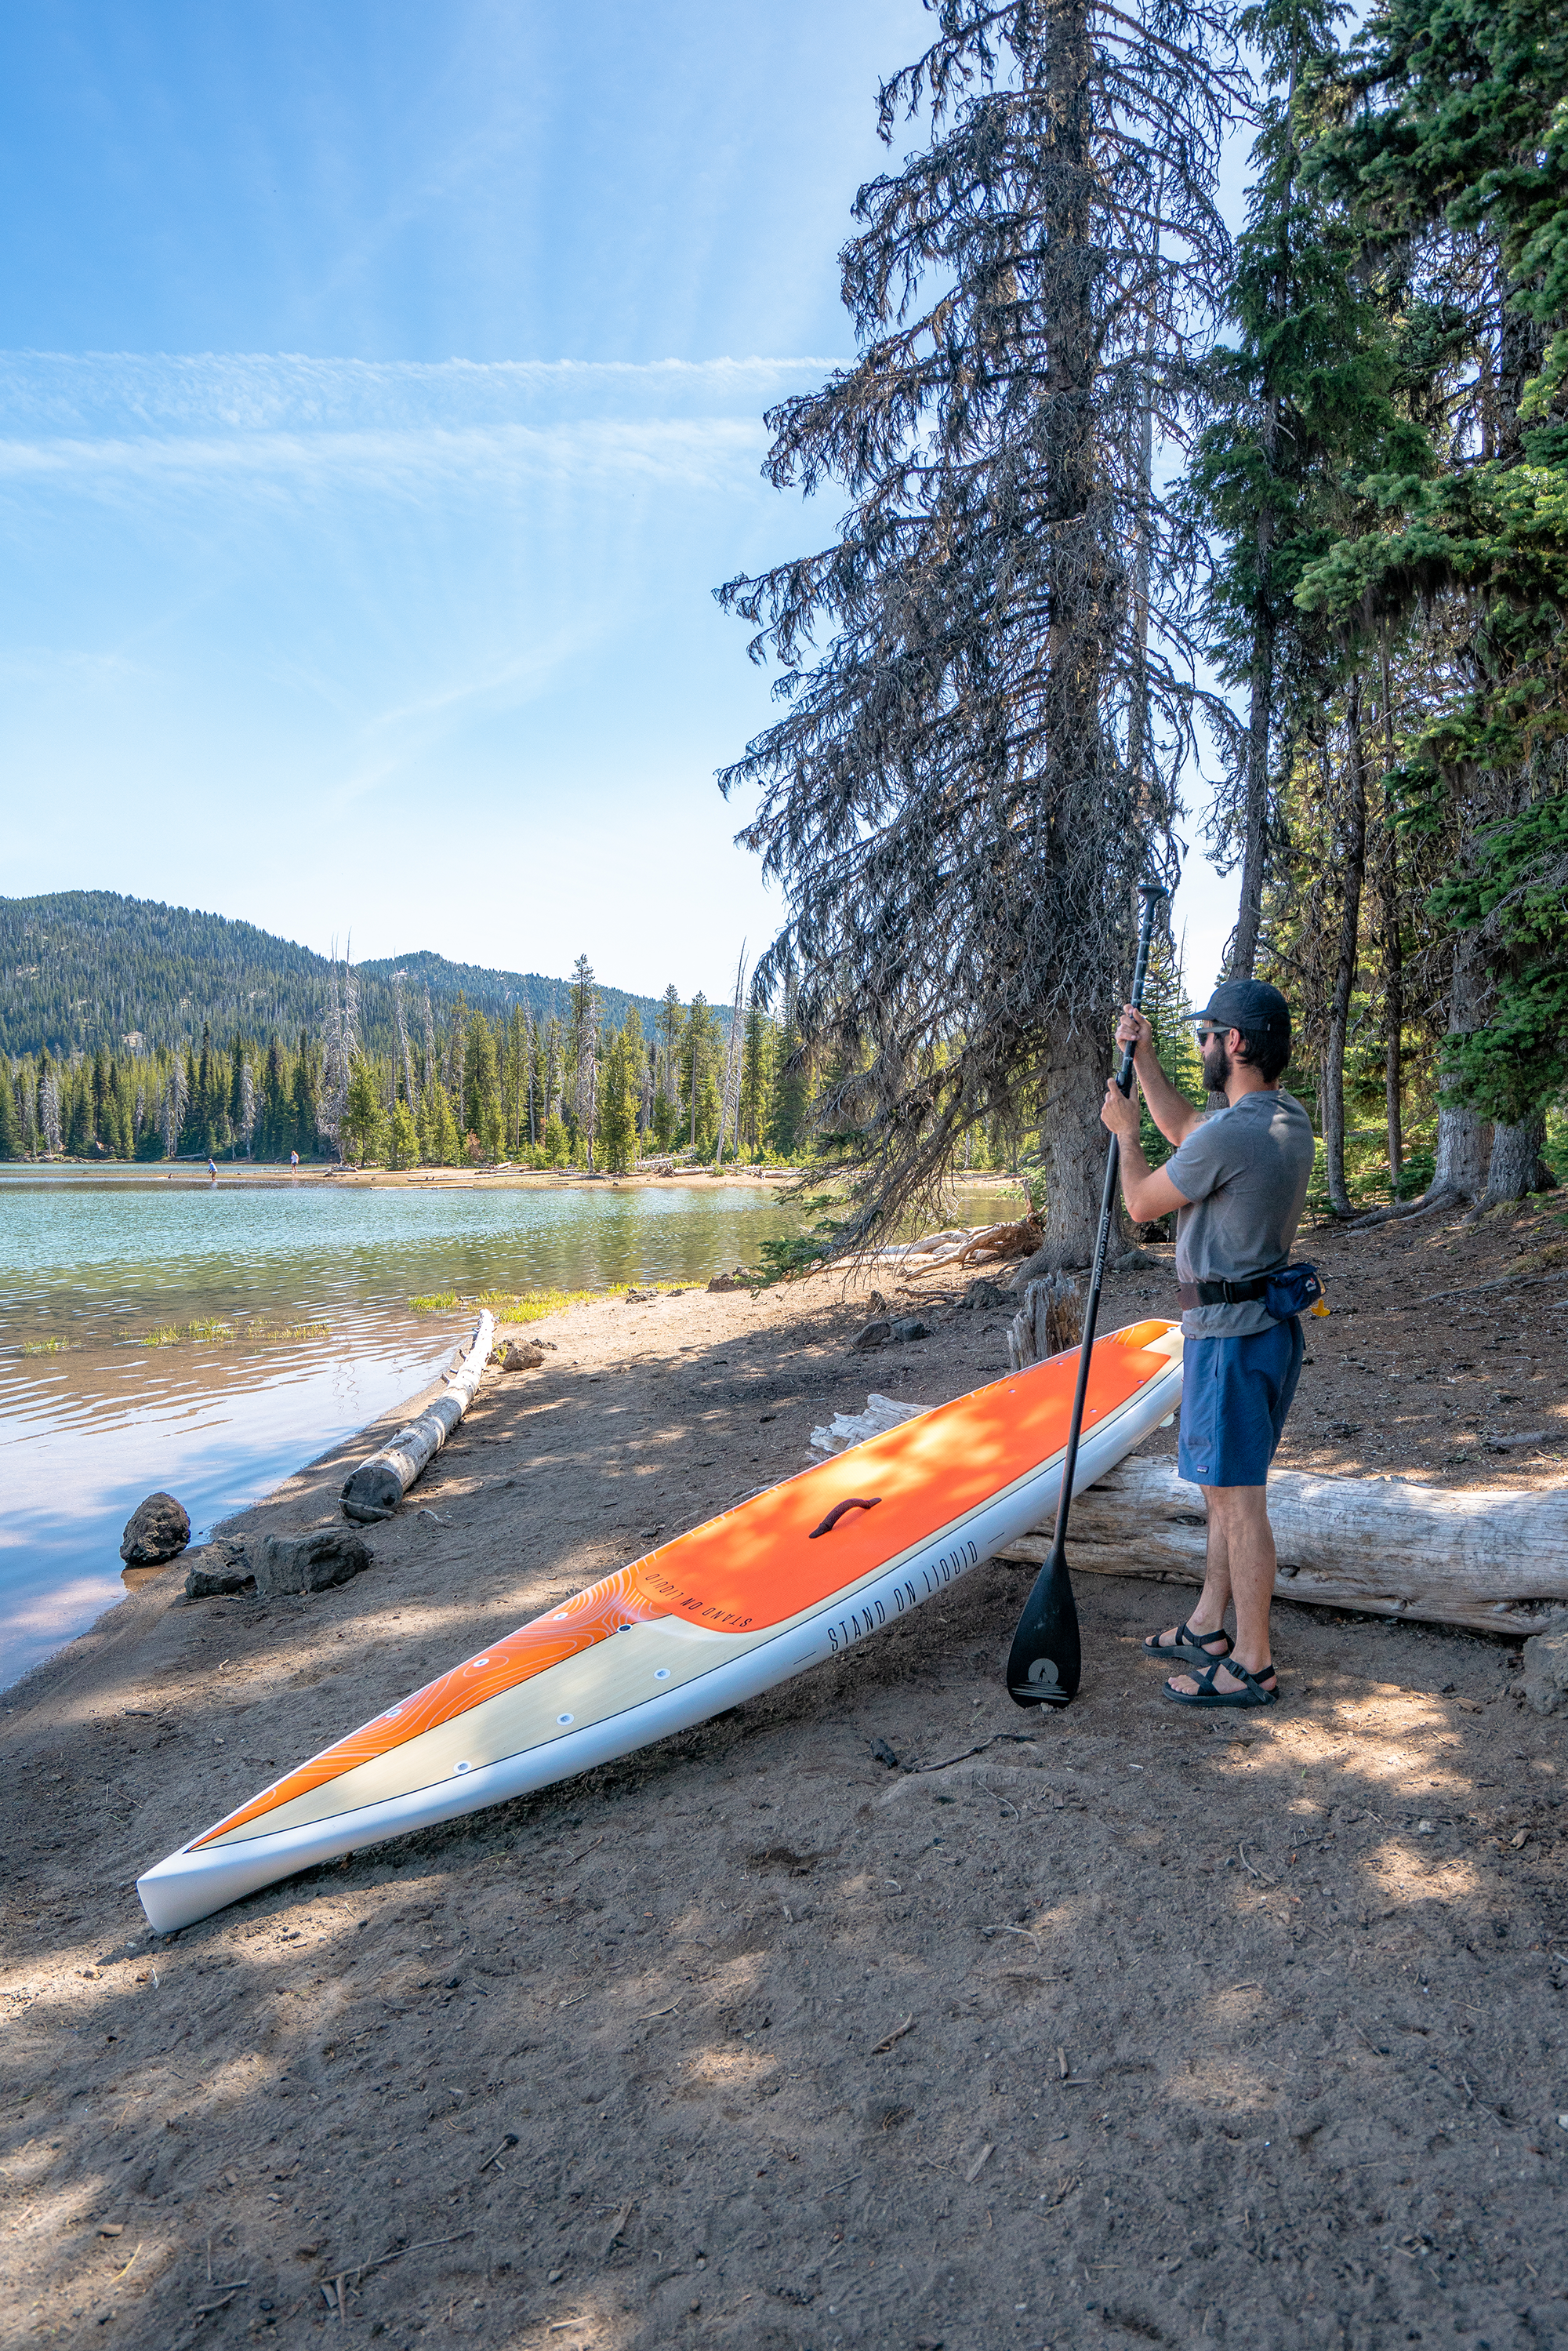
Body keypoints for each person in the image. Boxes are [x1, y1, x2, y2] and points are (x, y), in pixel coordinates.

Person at [1097, 977, 1316, 1708]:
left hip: (1230, 1337)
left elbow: (1139, 1204)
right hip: (1261, 1330)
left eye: (1208, 1035)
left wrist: (1124, 1135)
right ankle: (1209, 1626)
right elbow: (1188, 1126)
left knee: (1235, 1500)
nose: (1203, 1047)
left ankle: (1252, 1663)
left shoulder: (1239, 1133)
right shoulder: (1278, 1119)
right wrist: (1146, 1058)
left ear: (1238, 1043)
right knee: (1229, 1491)